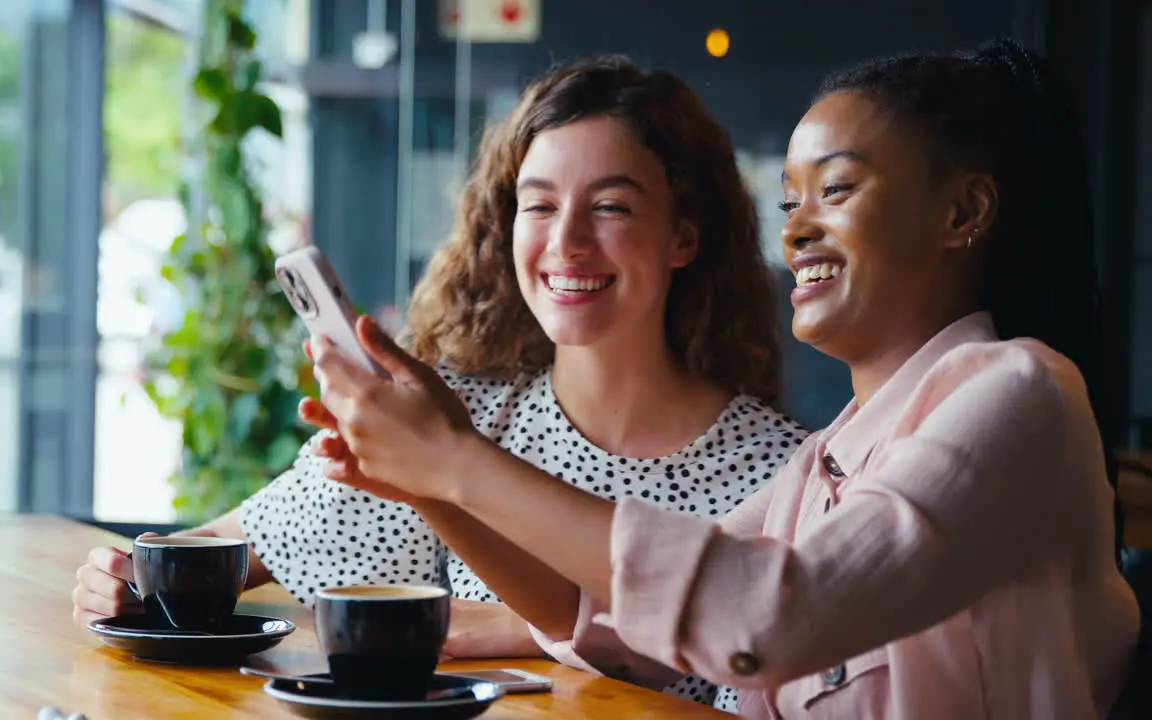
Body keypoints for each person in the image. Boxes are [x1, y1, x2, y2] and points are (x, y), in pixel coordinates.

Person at [305, 38, 1141, 717]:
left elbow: (763, 617)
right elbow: (618, 627)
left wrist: (457, 460)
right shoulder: (831, 457)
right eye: (789, 203)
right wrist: (431, 486)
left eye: (837, 189)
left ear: (963, 213)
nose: (800, 229)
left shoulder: (1022, 392)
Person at [72, 56, 805, 711]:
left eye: (610, 206)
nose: (567, 241)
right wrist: (120, 579)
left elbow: (755, 650)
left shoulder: (784, 474)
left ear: (684, 235)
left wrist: (523, 629)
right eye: (540, 204)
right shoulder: (465, 415)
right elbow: (221, 554)